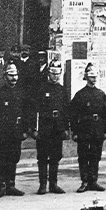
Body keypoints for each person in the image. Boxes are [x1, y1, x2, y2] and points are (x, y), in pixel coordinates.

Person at [0, 62, 28, 197]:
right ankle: (1, 186)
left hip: (16, 131)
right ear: (5, 77)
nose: (14, 78)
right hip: (2, 131)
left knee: (14, 158)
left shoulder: (21, 92)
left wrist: (25, 130)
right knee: (2, 158)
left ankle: (11, 185)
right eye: (11, 75)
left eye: (15, 75)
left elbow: (26, 112)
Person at [30, 59, 68, 194]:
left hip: (57, 128)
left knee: (55, 157)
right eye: (53, 73)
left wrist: (65, 128)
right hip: (44, 127)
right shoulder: (41, 89)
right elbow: (34, 110)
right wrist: (34, 129)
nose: (55, 76)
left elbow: (65, 110)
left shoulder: (63, 90)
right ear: (48, 73)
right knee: (42, 157)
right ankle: (42, 185)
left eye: (58, 74)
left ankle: (53, 184)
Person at [70, 63, 106, 193]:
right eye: (91, 76)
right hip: (84, 128)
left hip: (97, 128)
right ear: (86, 77)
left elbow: (104, 113)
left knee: (96, 155)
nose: (94, 79)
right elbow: (73, 115)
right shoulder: (80, 95)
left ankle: (94, 181)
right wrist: (74, 131)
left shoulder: (101, 94)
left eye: (95, 76)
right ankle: (85, 181)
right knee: (84, 155)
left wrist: (104, 130)